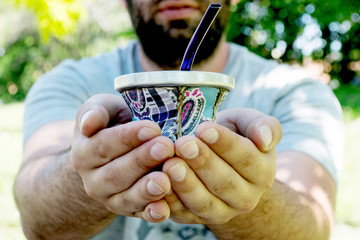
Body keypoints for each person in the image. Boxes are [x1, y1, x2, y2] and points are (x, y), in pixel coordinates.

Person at [14, 0, 344, 239]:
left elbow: (310, 229)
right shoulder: (69, 82)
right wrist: (92, 164)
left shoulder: (298, 94)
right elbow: (36, 220)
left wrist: (252, 192)